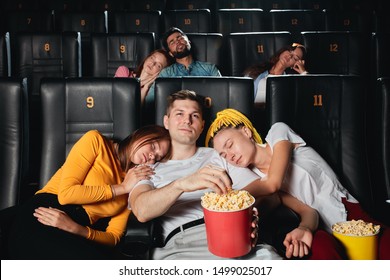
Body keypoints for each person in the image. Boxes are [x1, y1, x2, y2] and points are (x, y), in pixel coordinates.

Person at [128, 90, 320, 260]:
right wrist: (182, 184)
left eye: (194, 115)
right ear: (166, 121)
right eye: (179, 114)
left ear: (202, 126)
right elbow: (141, 210)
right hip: (183, 244)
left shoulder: (220, 156)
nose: (187, 120)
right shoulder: (148, 169)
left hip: (235, 237)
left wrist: (249, 217)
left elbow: (270, 195)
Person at [205, 108, 390, 259]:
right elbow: (308, 211)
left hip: (351, 214)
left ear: (246, 132)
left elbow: (273, 183)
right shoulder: (256, 179)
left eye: (230, 145)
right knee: (322, 253)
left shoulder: (278, 133)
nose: (229, 156)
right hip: (320, 227)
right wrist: (304, 228)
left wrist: (231, 200)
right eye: (223, 155)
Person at [8, 125, 171, 259]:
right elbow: (67, 195)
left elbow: (114, 237)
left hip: (77, 229)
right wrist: (122, 188)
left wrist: (76, 229)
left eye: (157, 157)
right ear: (141, 135)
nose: (151, 156)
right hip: (47, 211)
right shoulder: (96, 141)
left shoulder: (134, 182)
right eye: (154, 146)